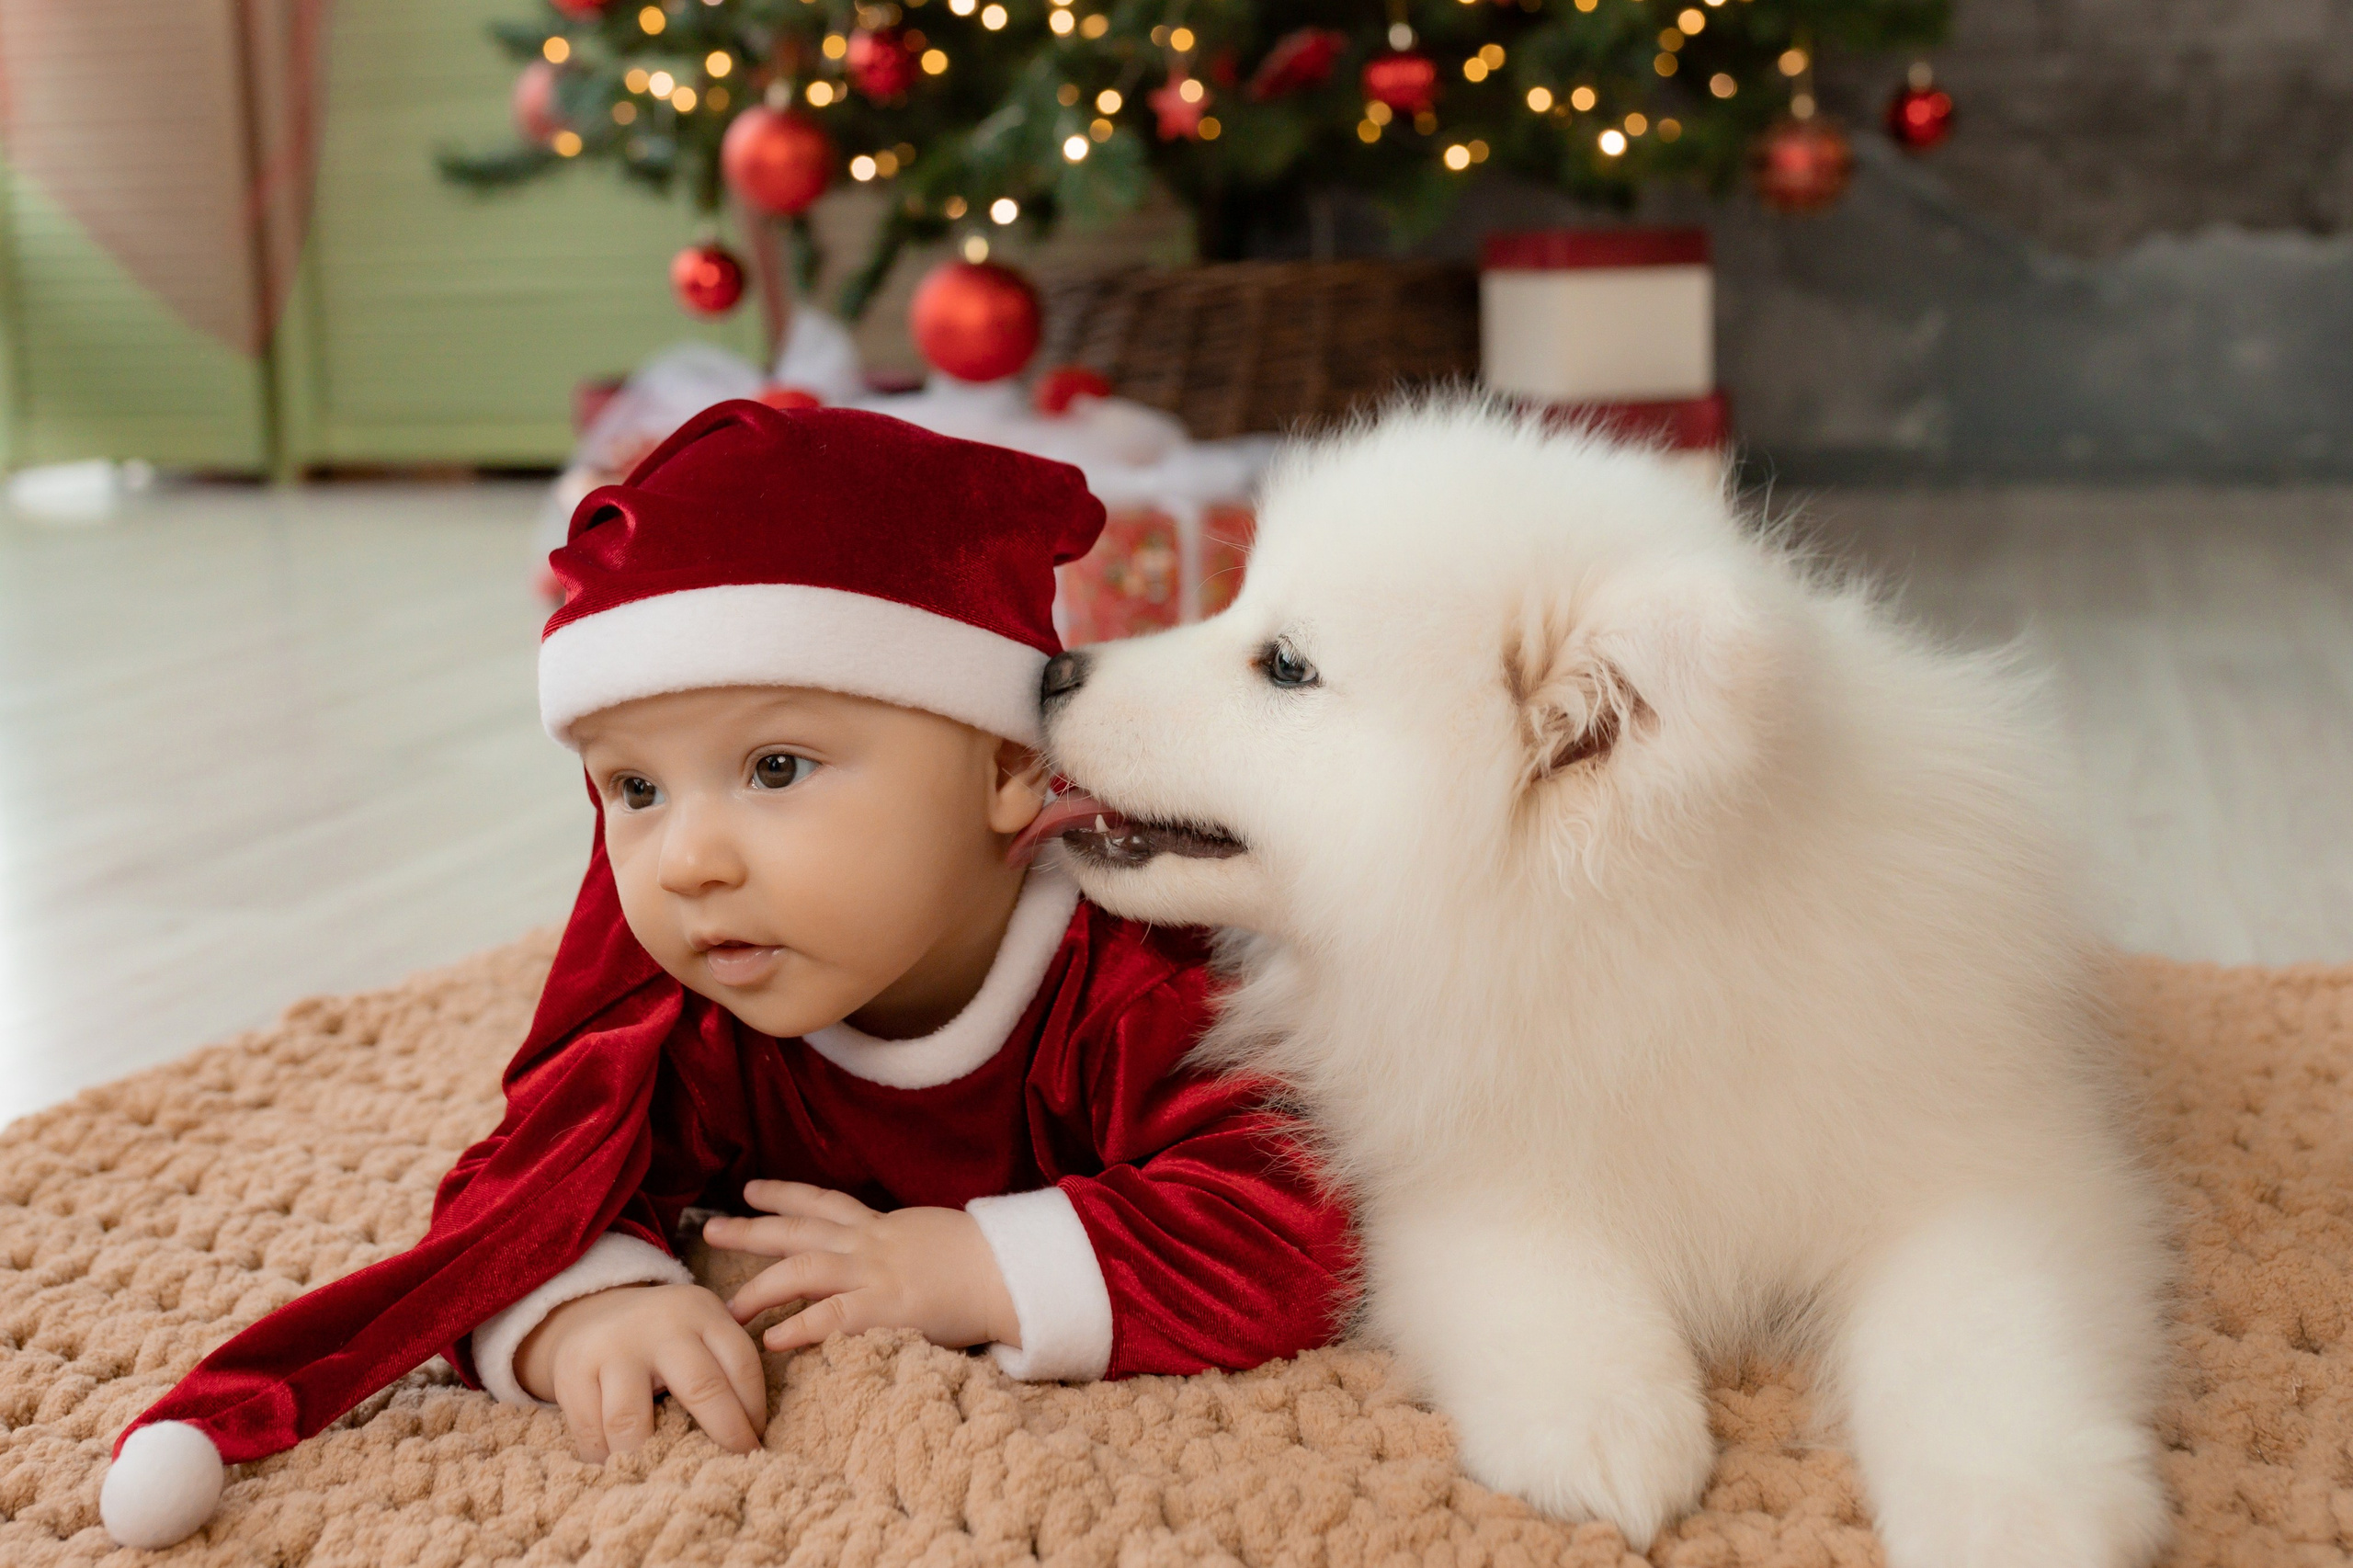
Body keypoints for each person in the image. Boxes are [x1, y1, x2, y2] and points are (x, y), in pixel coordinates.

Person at [98, 402, 1356, 1550]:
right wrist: (585, 1308)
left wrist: (969, 1269)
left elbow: (1294, 1217)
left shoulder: (1133, 979)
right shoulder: (700, 1018)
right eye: (635, 788)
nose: (688, 860)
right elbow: (529, 1189)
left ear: (1007, 768)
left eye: (776, 768)